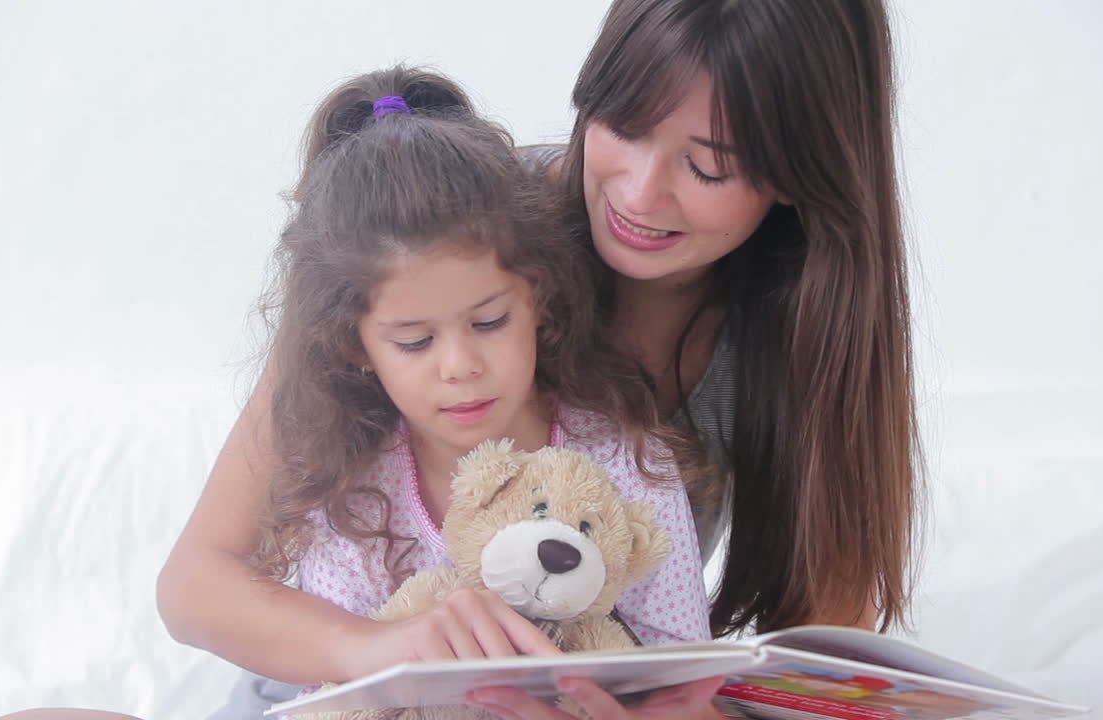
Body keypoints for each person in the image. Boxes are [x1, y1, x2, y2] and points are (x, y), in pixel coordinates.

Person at [170, 0, 921, 717]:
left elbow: (823, 675)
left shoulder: (804, 342)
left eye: (708, 167)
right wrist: (382, 648)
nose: (639, 192)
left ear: (799, 176)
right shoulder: (454, 228)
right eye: (622, 125)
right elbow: (197, 582)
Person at [156, 65, 719, 719]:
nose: (459, 365)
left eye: (488, 322)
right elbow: (336, 698)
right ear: (355, 347)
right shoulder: (353, 489)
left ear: (538, 295)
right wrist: (378, 647)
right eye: (415, 342)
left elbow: (687, 682)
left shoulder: (625, 460)